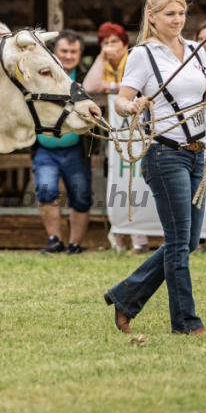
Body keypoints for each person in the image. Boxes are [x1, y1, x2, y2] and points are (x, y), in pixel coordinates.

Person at [103, 0, 206, 337]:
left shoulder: (196, 50)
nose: (178, 20)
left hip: (196, 154)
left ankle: (126, 297)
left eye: (182, 13)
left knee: (186, 242)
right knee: (178, 241)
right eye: (170, 14)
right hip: (164, 154)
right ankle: (186, 323)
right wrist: (134, 105)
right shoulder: (143, 54)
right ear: (152, 17)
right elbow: (121, 101)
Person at [83, 23, 148, 254]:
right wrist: (101, 58)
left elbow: (141, 87)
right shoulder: (105, 65)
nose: (109, 47)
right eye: (105, 43)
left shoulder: (134, 60)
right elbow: (88, 87)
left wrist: (111, 86)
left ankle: (139, 239)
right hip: (116, 137)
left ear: (125, 45)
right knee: (117, 184)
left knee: (138, 183)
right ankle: (119, 236)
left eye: (114, 42)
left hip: (142, 133)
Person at [34, 30, 93, 255]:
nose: (68, 55)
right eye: (64, 51)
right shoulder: (41, 75)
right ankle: (55, 240)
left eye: (73, 51)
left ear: (80, 54)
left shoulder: (87, 77)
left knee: (81, 196)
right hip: (45, 148)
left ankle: (75, 244)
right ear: (54, 53)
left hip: (77, 149)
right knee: (46, 190)